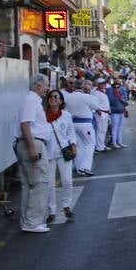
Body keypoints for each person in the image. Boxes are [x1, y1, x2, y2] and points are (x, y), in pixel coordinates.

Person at [15, 74, 52, 234]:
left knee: (29, 185)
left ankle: (28, 221)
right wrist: (32, 147)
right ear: (38, 86)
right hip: (33, 143)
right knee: (39, 183)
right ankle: (33, 222)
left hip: (30, 143)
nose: (47, 89)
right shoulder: (31, 100)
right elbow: (25, 124)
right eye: (46, 85)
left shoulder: (31, 100)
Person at [41, 89, 77, 223]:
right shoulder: (43, 116)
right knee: (50, 184)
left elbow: (71, 132)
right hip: (48, 153)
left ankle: (67, 206)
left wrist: (74, 145)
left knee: (67, 181)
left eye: (56, 97)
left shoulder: (66, 115)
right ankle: (52, 211)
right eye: (50, 97)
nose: (53, 99)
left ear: (61, 100)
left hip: (64, 152)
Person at [63, 78, 97, 177]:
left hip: (73, 123)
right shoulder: (87, 97)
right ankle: (85, 167)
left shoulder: (68, 97)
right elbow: (95, 107)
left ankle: (79, 168)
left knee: (79, 146)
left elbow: (65, 109)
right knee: (90, 144)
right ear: (83, 86)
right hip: (85, 123)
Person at [92, 77, 112, 151]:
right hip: (101, 113)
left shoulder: (102, 91)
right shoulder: (96, 93)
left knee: (103, 130)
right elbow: (94, 104)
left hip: (105, 113)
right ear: (98, 85)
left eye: (104, 83)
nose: (104, 85)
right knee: (100, 130)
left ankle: (102, 145)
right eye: (102, 84)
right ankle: (99, 147)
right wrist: (99, 112)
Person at [107, 78, 128, 148]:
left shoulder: (122, 89)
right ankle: (114, 142)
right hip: (114, 112)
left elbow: (125, 100)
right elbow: (109, 101)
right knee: (114, 127)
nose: (117, 87)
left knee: (120, 127)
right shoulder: (109, 90)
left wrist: (120, 97)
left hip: (121, 111)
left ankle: (120, 142)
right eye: (115, 85)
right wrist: (115, 95)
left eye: (118, 85)